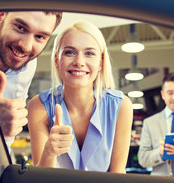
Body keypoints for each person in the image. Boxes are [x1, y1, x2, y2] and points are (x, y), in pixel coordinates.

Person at [27, 20, 133, 173]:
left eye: (89, 53)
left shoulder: (121, 106)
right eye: (70, 52)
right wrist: (49, 151)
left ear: (101, 62)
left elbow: (117, 176)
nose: (79, 62)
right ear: (57, 60)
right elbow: (41, 181)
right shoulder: (39, 106)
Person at [0, 11, 63, 150]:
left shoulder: (27, 62)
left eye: (40, 37)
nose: (26, 46)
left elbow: (7, 136)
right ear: (0, 16)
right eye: (20, 28)